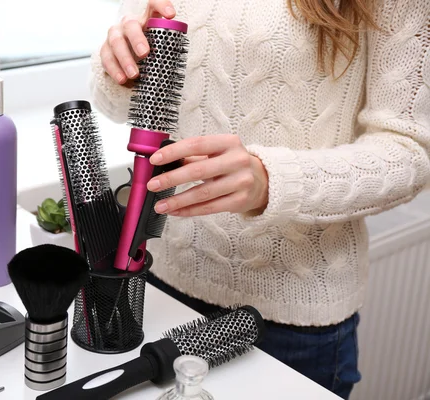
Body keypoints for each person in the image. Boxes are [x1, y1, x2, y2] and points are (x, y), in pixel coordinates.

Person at [89, 0, 430, 398]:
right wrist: (120, 70)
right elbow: (116, 105)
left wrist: (272, 180)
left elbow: (409, 151)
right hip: (161, 287)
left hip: (290, 323)